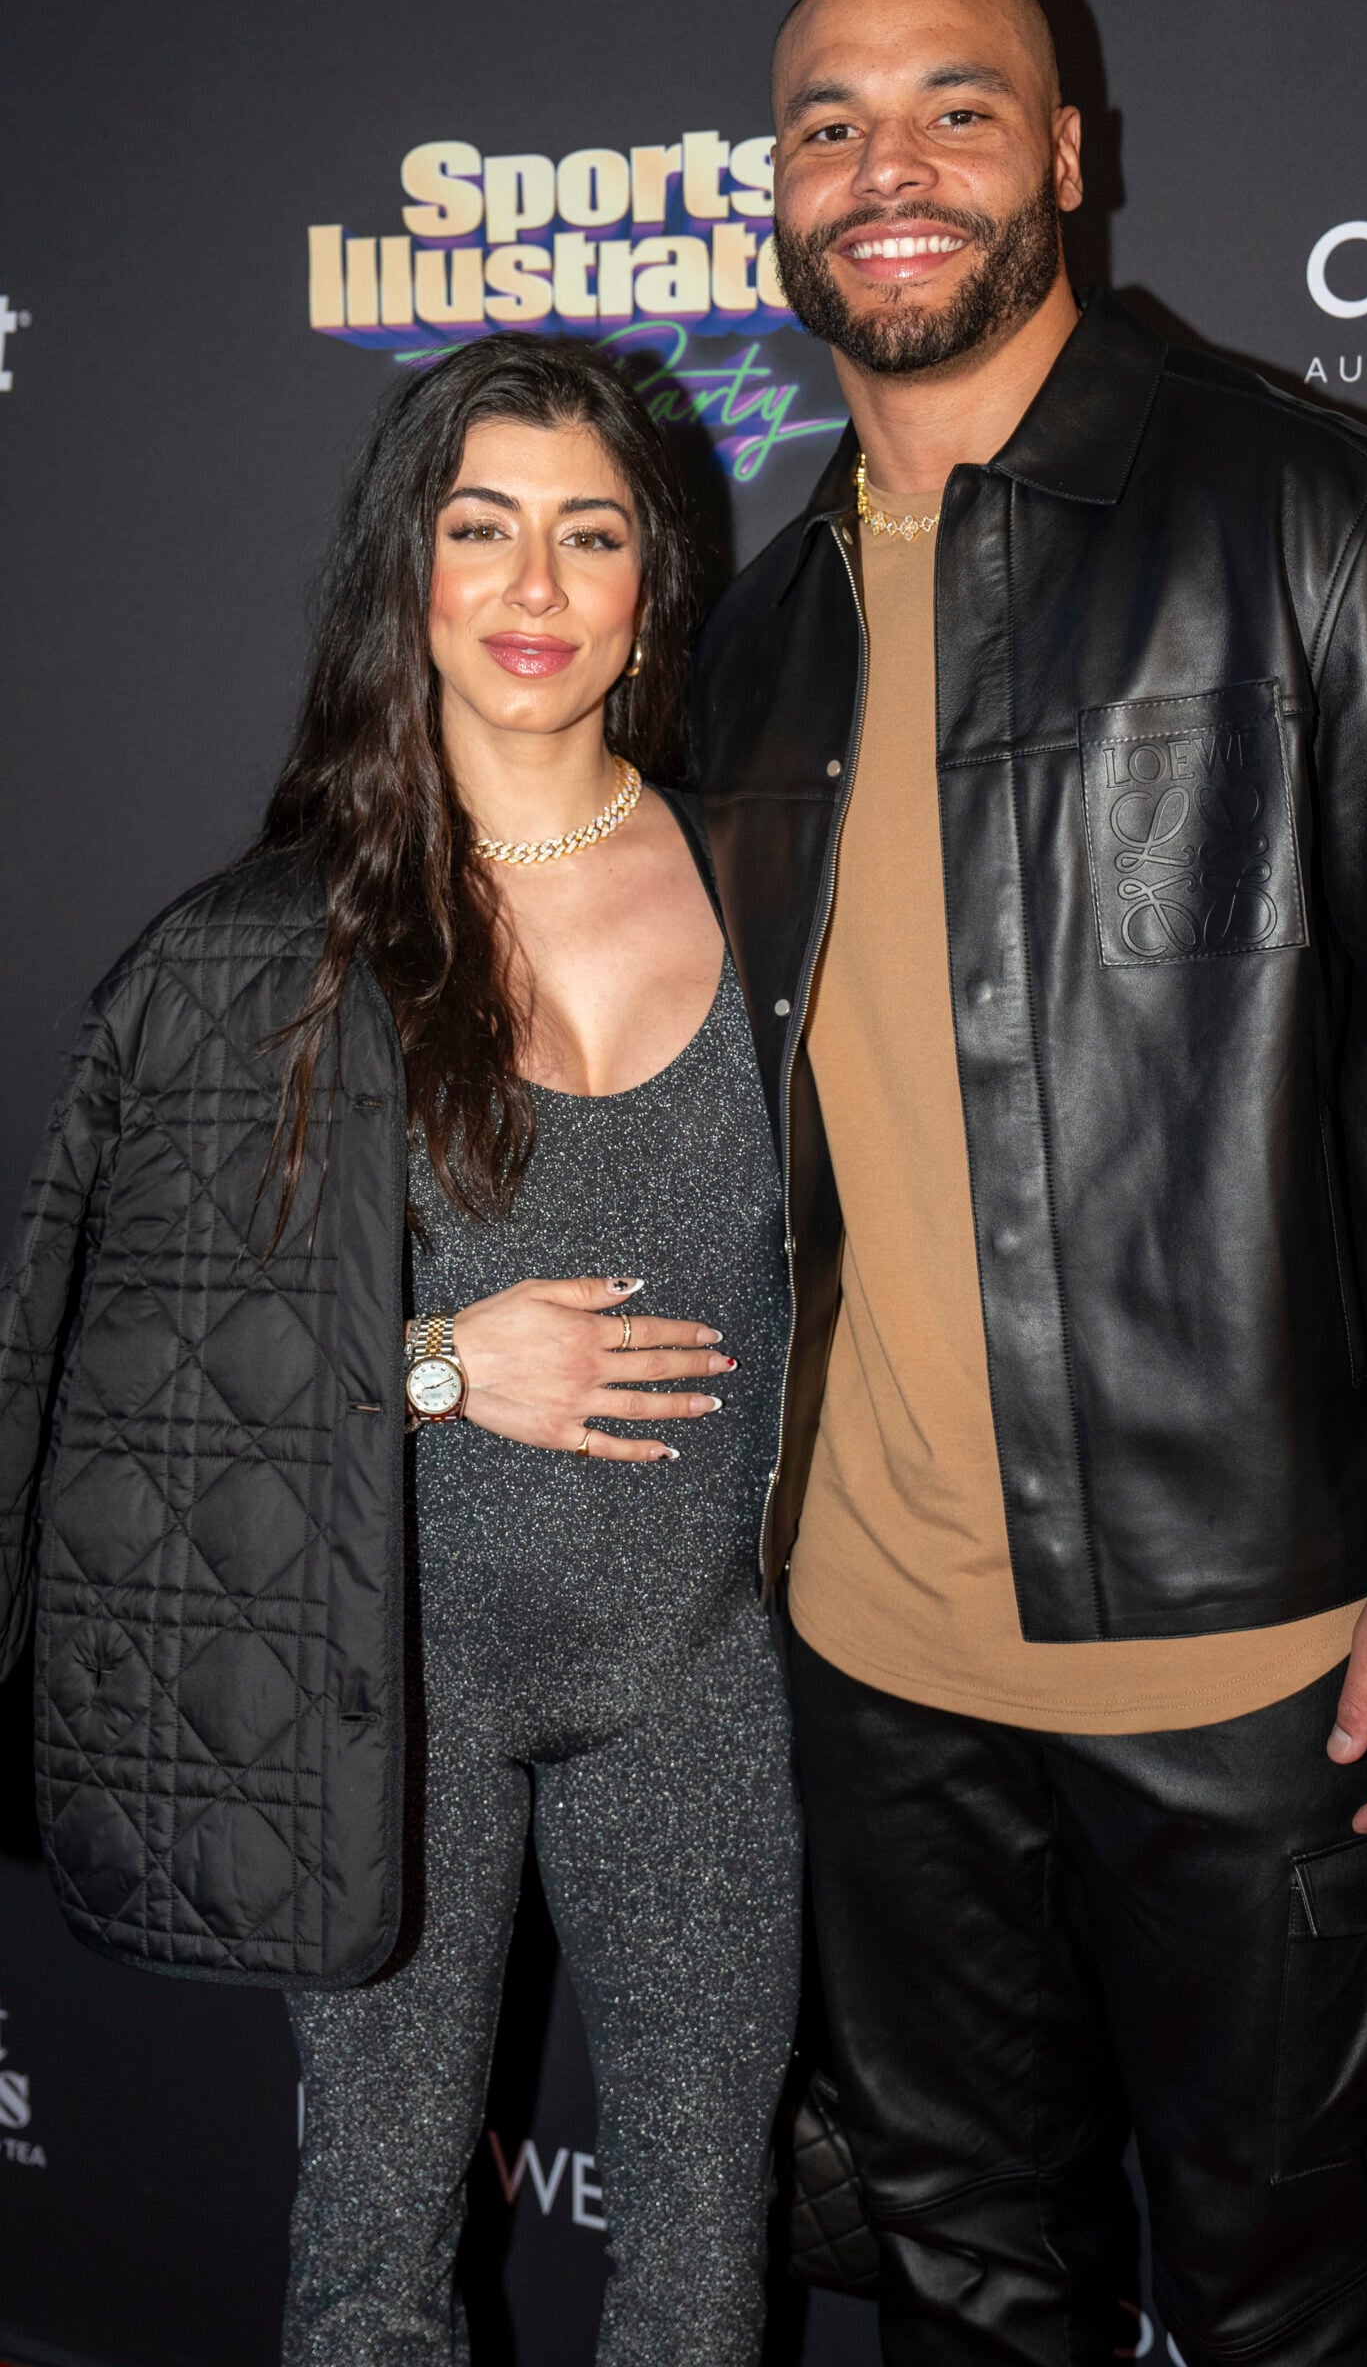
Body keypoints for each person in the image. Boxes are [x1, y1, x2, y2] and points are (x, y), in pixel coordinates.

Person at [691, 0, 1367, 2366]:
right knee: (957, 2269)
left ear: (1064, 161)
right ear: (769, 193)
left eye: (951, 112)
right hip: (863, 1647)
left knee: (1280, 2287)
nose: (881, 170)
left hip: (1252, 1653)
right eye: (824, 124)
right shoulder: (756, 614)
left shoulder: (1314, 509)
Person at [0, 335, 800, 2365]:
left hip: (699, 1676)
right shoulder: (280, 933)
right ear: (410, 572)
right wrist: (443, 1355)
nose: (532, 589)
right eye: (480, 529)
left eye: (587, 534)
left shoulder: (769, 881)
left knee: (705, 2266)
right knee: (371, 2253)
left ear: (652, 588)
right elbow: (133, 1359)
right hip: (386, 1693)